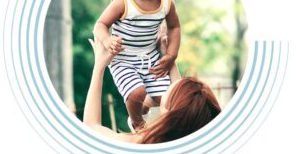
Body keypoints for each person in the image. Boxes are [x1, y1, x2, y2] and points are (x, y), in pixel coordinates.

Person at [94, 0, 181, 131]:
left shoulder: (167, 1)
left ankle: (148, 106)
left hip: (151, 58)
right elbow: (100, 24)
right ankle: (137, 122)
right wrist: (107, 39)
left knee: (167, 100)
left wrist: (170, 55)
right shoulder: (123, 1)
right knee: (136, 93)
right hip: (123, 59)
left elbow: (174, 27)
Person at [83, 37, 221, 144]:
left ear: (169, 113)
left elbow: (91, 126)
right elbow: (182, 103)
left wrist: (99, 65)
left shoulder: (143, 143)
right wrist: (167, 57)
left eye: (167, 91)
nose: (166, 87)